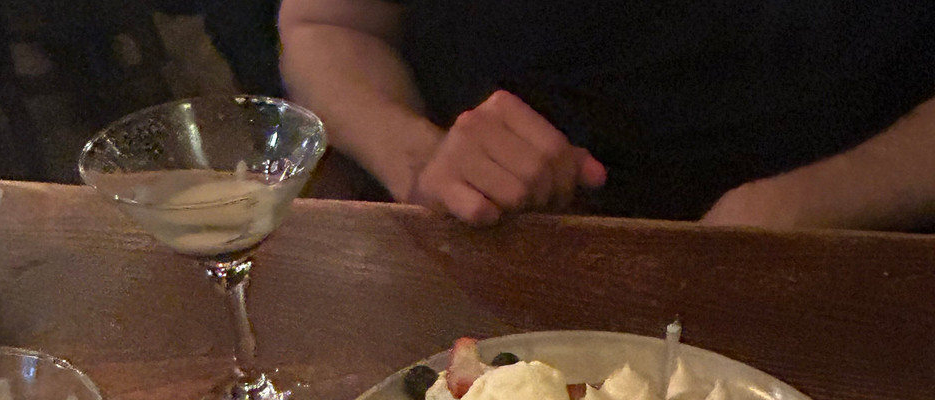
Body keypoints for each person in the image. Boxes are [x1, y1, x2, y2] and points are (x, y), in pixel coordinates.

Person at [278, 0, 935, 230]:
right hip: (502, 246)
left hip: (856, 255)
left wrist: (805, 204)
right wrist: (423, 161)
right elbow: (327, 25)